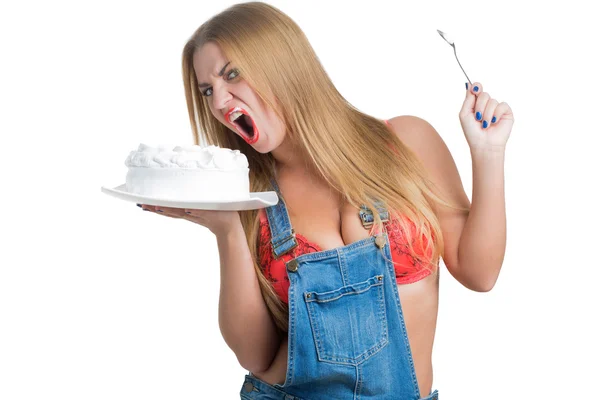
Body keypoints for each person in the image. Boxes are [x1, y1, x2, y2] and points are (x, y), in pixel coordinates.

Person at [138, 2, 513, 399]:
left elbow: (480, 273)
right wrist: (228, 230)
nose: (218, 102)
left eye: (232, 74)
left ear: (282, 63)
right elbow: (255, 355)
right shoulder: (250, 195)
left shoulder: (407, 142)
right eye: (208, 90)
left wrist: (488, 155)